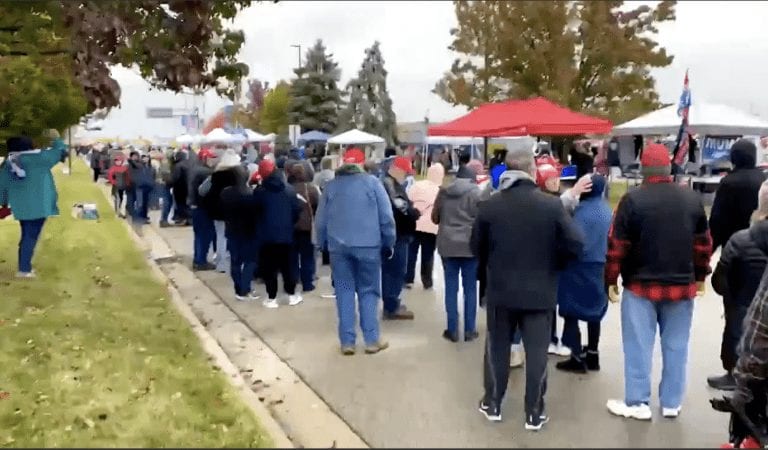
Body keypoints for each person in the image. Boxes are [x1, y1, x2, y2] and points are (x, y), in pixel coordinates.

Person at [472, 147, 583, 430]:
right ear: (532, 171)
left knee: (497, 348)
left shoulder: (491, 206)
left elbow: (476, 247)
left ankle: (493, 402)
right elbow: (575, 244)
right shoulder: (551, 205)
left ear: (506, 170)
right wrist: (554, 263)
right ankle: (534, 411)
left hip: (501, 290)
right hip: (540, 290)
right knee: (536, 354)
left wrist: (491, 265)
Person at [605, 143, 712, 421]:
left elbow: (617, 245)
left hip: (640, 285)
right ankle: (671, 402)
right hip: (682, 284)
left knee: (638, 346)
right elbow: (703, 245)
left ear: (643, 169)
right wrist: (701, 277)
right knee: (677, 345)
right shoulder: (691, 199)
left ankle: (638, 402)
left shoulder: (632, 201)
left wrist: (610, 279)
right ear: (669, 168)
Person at [315, 148, 395, 355]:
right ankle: (371, 340)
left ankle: (347, 341)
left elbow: (321, 220)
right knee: (369, 291)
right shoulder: (373, 184)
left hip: (338, 248)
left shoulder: (331, 187)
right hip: (369, 245)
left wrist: (322, 244)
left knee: (344, 291)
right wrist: (389, 242)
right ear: (361, 164)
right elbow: (386, 217)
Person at [709, 181, 768, 390]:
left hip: (742, 299)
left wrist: (729, 295)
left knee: (737, 323)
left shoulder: (741, 240)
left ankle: (734, 373)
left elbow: (720, 279)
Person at [555, 174, 613, 374]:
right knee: (594, 311)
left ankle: (576, 357)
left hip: (577, 267)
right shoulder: (607, 211)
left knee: (571, 311)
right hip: (600, 266)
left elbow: (572, 241)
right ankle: (593, 354)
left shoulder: (580, 212)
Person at [0, 132, 68, 277]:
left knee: (26, 235)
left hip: (20, 206)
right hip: (40, 204)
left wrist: (4, 205)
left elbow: (2, 186)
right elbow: (60, 151)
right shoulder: (42, 158)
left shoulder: (9, 163)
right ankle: (24, 269)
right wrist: (56, 138)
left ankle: (24, 265)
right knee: (30, 237)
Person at [432, 163, 481, 342]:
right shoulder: (477, 193)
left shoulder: (444, 192)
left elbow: (434, 218)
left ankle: (452, 329)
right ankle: (470, 330)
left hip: (448, 246)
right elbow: (482, 219)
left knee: (451, 288)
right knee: (470, 289)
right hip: (470, 246)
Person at [253, 159, 304, 308]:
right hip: (287, 234)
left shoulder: (259, 192)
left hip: (266, 236)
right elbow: (297, 209)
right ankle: (291, 294)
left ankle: (271, 297)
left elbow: (255, 211)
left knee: (269, 268)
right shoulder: (289, 190)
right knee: (288, 266)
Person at [381, 156, 421, 320]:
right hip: (398, 234)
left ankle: (392, 302)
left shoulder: (387, 182)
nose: (406, 175)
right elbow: (402, 207)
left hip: (394, 233)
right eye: (405, 172)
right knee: (396, 270)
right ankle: (392, 306)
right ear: (397, 169)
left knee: (391, 270)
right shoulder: (390, 185)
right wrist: (415, 213)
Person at [710, 139, 767, 252]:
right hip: (762, 242)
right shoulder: (764, 180)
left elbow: (718, 219)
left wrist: (711, 247)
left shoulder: (728, 182)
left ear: (733, 157)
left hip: (733, 245)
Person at [219, 165, 261, 302]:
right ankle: (245, 288)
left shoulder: (225, 193)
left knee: (235, 261)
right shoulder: (249, 194)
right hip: (249, 232)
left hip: (232, 230)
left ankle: (239, 288)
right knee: (250, 261)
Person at [203, 149, 243, 274]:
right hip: (234, 208)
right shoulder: (238, 175)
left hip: (218, 208)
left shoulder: (216, 174)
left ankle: (221, 264)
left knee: (220, 236)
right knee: (235, 236)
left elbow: (208, 191)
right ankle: (235, 261)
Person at [405, 163, 444, 290]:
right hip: (431, 227)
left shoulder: (417, 185)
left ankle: (408, 279)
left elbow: (408, 200)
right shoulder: (440, 190)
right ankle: (427, 281)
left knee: (411, 252)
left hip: (414, 223)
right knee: (428, 254)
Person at [288, 163, 320, 293]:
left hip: (291, 227)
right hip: (307, 227)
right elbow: (317, 206)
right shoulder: (311, 189)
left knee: (292, 256)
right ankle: (307, 283)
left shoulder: (288, 189)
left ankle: (294, 280)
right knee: (307, 256)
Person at [189, 149, 217, 271]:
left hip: (195, 206)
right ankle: (201, 261)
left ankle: (198, 259)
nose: (213, 160)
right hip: (203, 208)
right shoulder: (206, 172)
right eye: (211, 158)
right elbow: (209, 192)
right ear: (205, 158)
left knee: (198, 235)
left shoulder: (195, 169)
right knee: (205, 235)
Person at [170, 150, 192, 226]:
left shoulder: (178, 165)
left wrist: (170, 183)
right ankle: (189, 219)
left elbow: (175, 177)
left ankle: (184, 218)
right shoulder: (189, 164)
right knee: (187, 204)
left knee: (180, 204)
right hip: (188, 187)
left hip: (179, 188)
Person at [106, 153, 130, 218]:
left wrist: (128, 184)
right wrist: (114, 182)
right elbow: (110, 176)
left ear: (121, 161)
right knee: (117, 199)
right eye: (116, 161)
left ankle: (121, 211)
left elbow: (127, 177)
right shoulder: (113, 168)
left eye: (119, 161)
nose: (117, 162)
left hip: (123, 186)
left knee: (122, 199)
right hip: (116, 187)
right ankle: (117, 212)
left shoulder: (125, 168)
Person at [158, 148, 175, 227]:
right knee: (167, 203)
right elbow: (167, 176)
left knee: (168, 202)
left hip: (165, 184)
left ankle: (164, 219)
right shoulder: (166, 163)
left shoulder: (166, 162)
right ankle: (163, 220)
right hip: (166, 185)